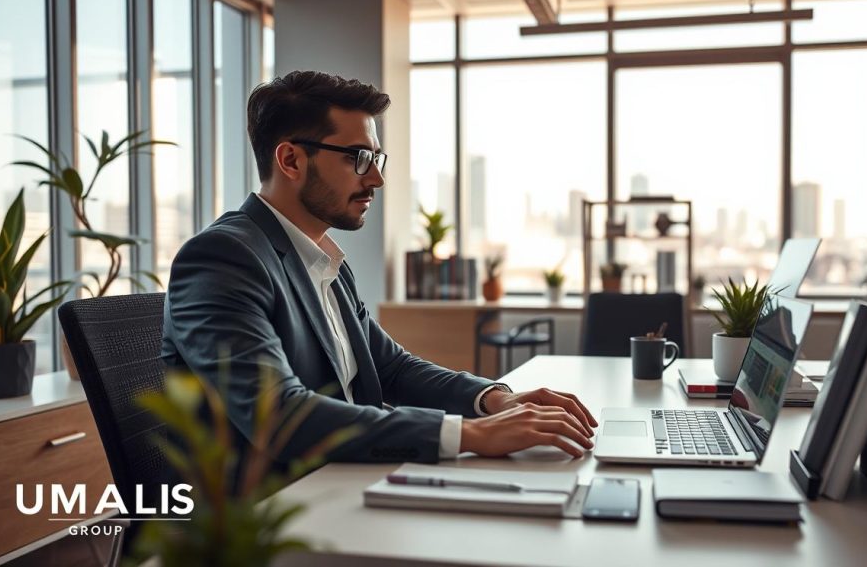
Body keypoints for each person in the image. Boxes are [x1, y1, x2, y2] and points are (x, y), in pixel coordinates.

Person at [161, 70, 596, 473]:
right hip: (272, 516)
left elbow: (392, 370)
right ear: (291, 160)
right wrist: (471, 435)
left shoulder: (324, 260)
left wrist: (495, 400)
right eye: (359, 158)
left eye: (377, 159)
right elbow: (277, 415)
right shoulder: (223, 257)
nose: (376, 180)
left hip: (347, 478)